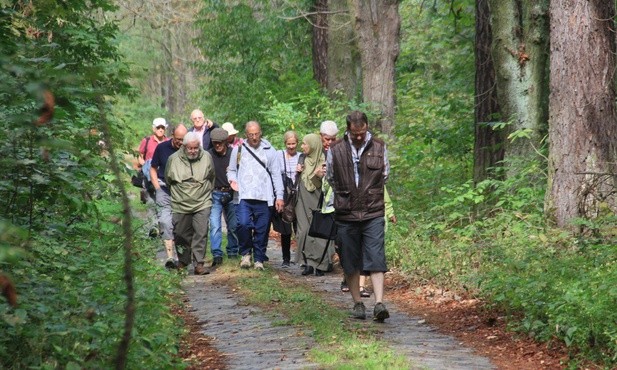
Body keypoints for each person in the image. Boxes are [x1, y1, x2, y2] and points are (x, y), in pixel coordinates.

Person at [326, 110, 390, 322]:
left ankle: (379, 303)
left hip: (373, 212)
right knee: (350, 260)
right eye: (355, 134)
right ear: (348, 130)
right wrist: (346, 194)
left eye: (362, 132)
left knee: (376, 257)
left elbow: (385, 175)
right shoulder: (336, 150)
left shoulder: (380, 147)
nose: (359, 136)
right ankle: (358, 303)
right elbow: (331, 177)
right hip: (346, 214)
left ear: (366, 127)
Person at [227, 121, 284, 270]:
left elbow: (276, 174)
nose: (254, 137)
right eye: (251, 134)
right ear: (246, 135)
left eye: (256, 134)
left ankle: (259, 259)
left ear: (260, 133)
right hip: (244, 195)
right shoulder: (238, 149)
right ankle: (246, 254)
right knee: (243, 224)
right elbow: (231, 170)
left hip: (265, 196)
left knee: (262, 229)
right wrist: (232, 181)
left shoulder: (269, 150)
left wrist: (280, 196)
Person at [165, 131, 215, 275]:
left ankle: (199, 263)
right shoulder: (173, 159)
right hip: (180, 203)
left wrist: (205, 193)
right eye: (190, 148)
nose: (193, 151)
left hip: (202, 202)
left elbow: (212, 177)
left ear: (199, 146)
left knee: (201, 232)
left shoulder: (207, 157)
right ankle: (183, 261)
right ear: (184, 147)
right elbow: (168, 180)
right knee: (180, 233)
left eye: (195, 148)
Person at [150, 124, 188, 269]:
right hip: (164, 190)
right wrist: (157, 187)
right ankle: (170, 257)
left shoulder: (189, 149)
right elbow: (153, 168)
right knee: (165, 222)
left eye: (183, 139)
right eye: (178, 139)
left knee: (180, 225)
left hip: (182, 192)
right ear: (172, 135)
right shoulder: (162, 148)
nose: (180, 142)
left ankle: (181, 257)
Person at [295, 133, 329, 276]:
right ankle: (307, 262)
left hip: (318, 199)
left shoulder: (325, 161)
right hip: (302, 200)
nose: (302, 146)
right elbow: (299, 181)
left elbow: (325, 185)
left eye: (305, 143)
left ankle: (321, 263)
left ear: (313, 146)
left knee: (319, 231)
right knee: (304, 230)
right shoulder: (302, 159)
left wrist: (319, 175)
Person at [208, 127, 239, 266]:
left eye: (220, 142)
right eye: (215, 143)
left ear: (226, 141)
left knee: (233, 225)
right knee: (215, 225)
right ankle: (217, 254)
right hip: (215, 192)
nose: (218, 145)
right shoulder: (208, 156)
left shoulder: (234, 154)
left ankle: (233, 251)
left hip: (232, 193)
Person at [359, 187, 397, 297]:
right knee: (359, 253)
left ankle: (362, 286)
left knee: (371, 254)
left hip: (375, 223)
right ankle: (358, 285)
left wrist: (390, 213)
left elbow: (385, 198)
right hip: (356, 221)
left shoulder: (376, 177)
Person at [137, 117, 168, 237]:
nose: (160, 129)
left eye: (162, 127)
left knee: (163, 204)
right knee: (151, 204)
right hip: (149, 179)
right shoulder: (147, 141)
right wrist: (146, 166)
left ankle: (164, 230)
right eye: (158, 127)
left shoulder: (169, 141)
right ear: (153, 128)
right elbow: (140, 157)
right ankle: (152, 231)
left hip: (164, 180)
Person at [276, 131, 300, 267]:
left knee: (299, 227)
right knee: (285, 228)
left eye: (293, 144)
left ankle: (300, 257)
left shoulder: (301, 157)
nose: (291, 147)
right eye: (289, 144)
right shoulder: (279, 156)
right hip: (285, 193)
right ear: (285, 143)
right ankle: (286, 258)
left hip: (297, 195)